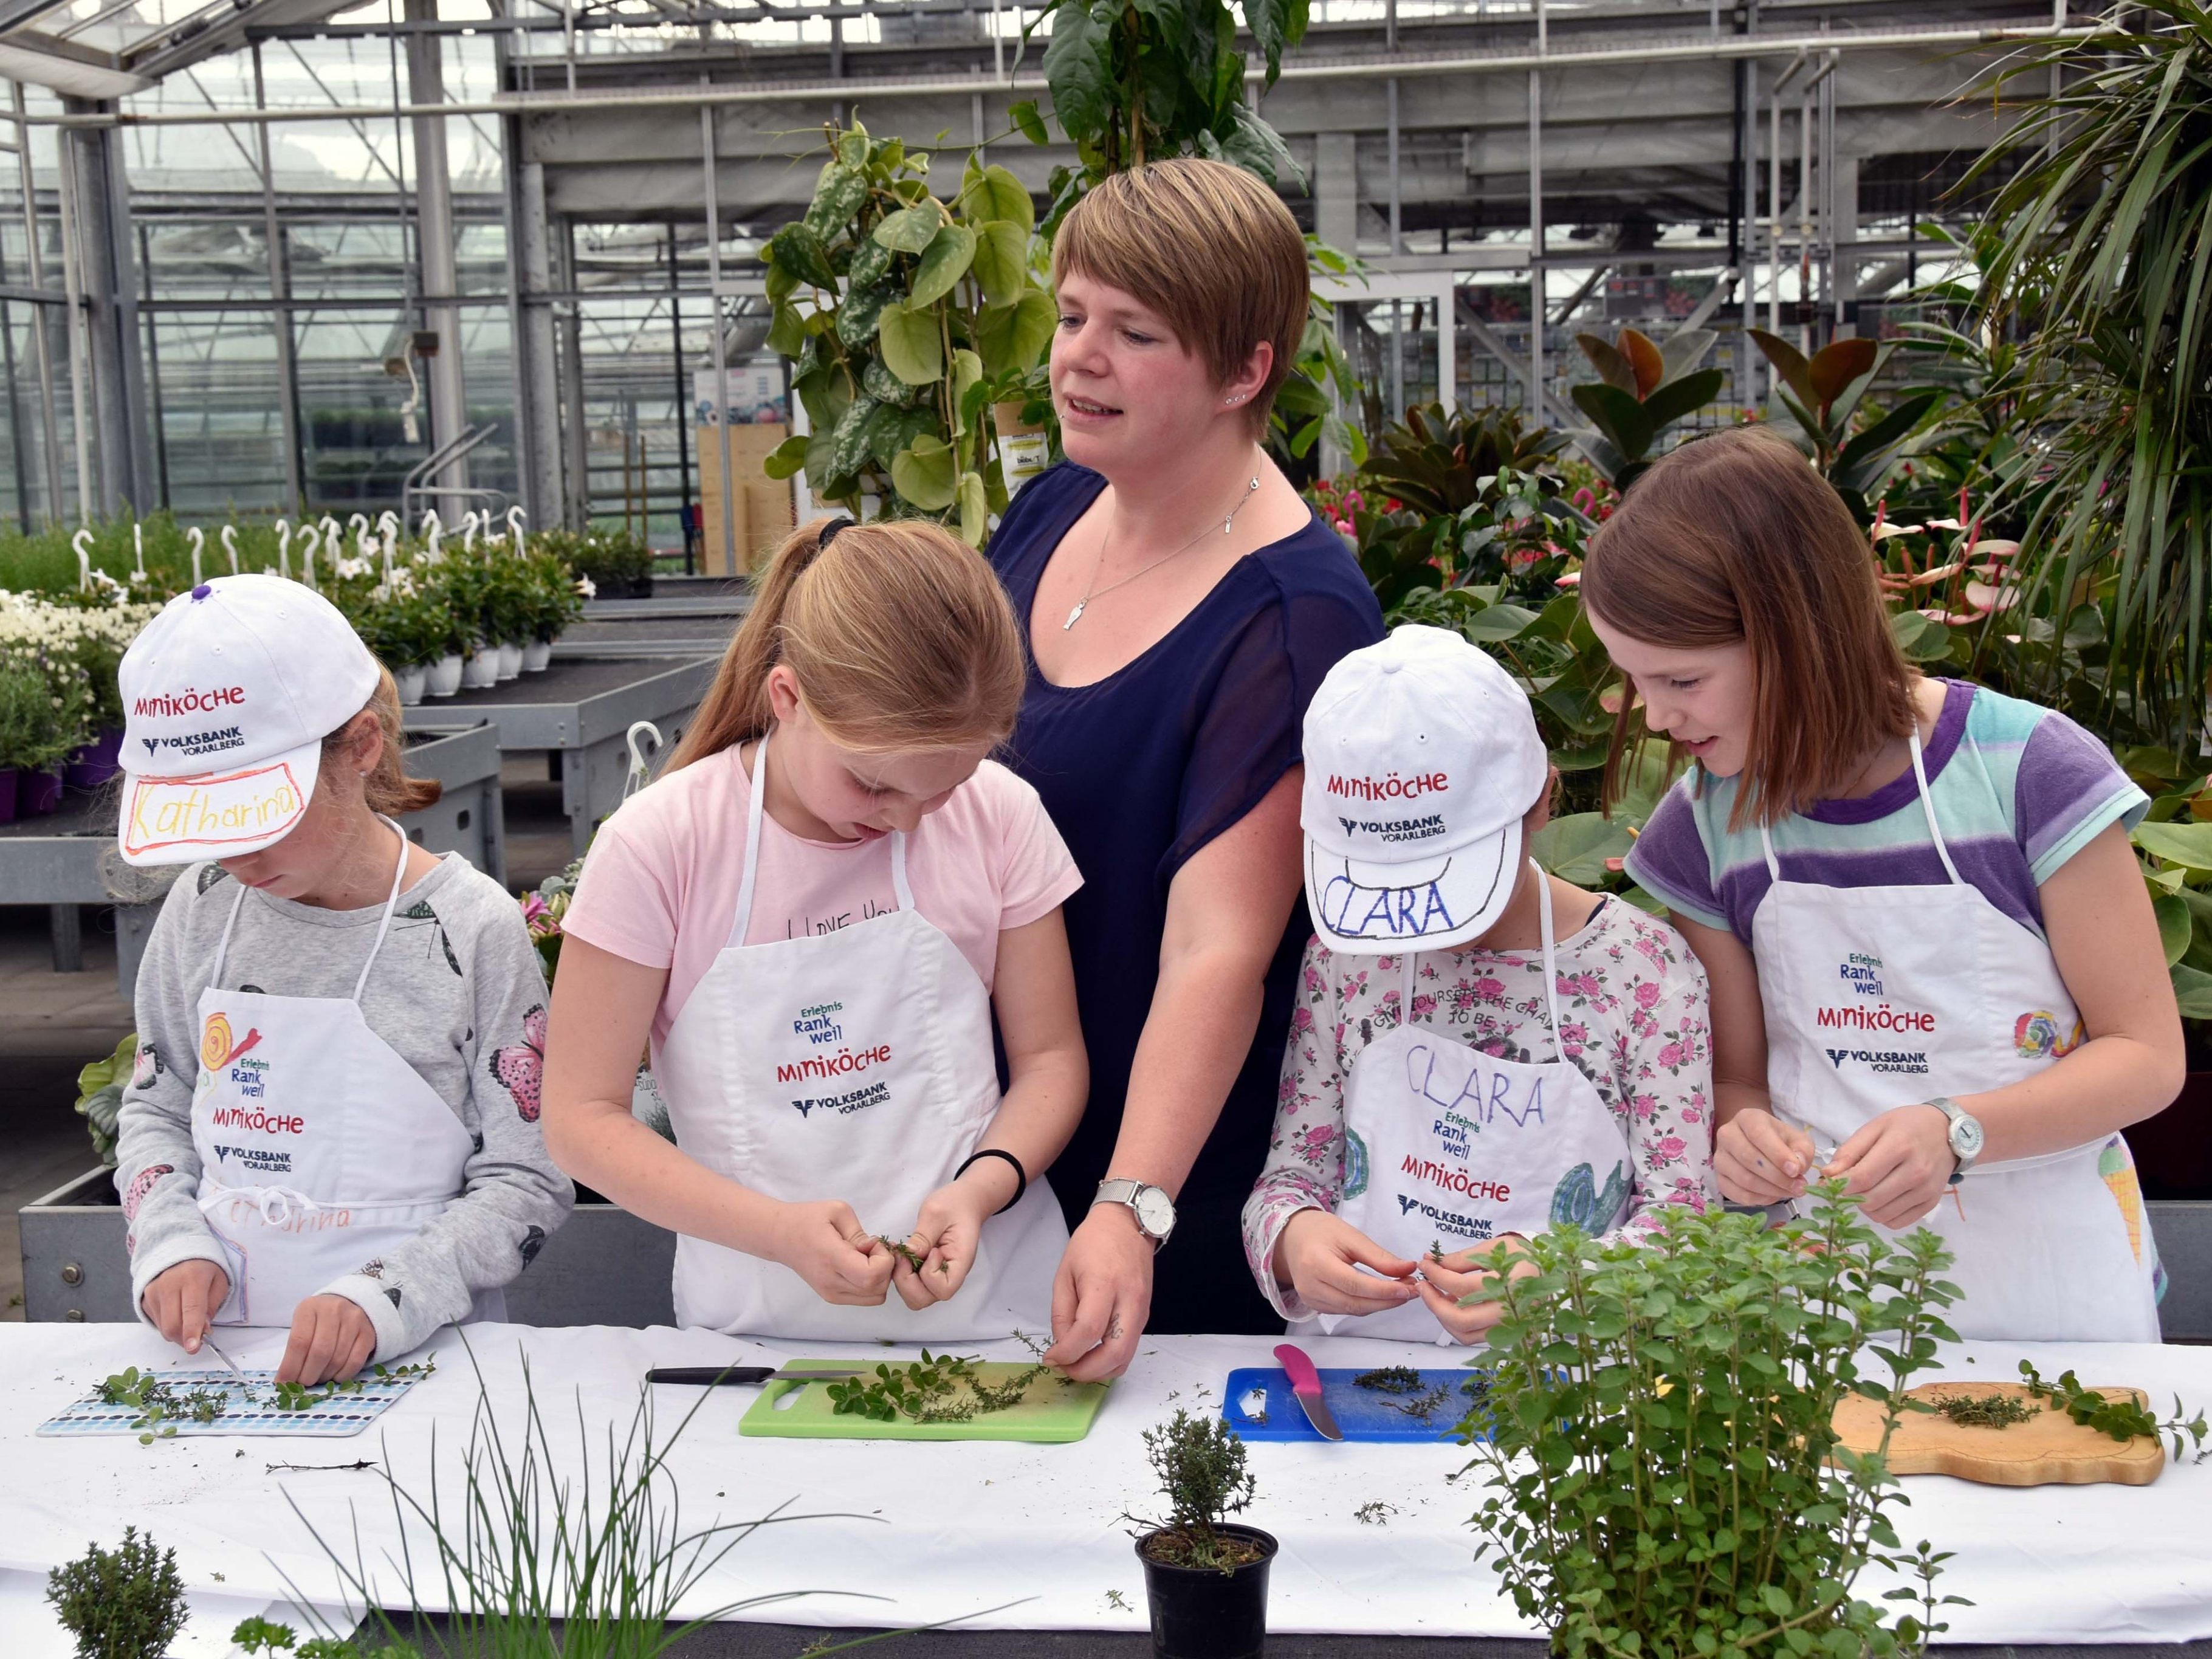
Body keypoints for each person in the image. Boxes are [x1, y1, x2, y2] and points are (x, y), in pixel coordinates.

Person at [1582, 427, 2183, 1342]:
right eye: (1635, 680)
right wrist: (1741, 1138)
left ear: (1794, 634)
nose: (1658, 715)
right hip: (1828, 1304)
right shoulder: (1703, 829)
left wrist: (1956, 1130)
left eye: (1682, 678)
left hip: (2056, 1292)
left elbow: (2147, 1054)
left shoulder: (2026, 770)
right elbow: (1739, 1079)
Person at [986, 157, 1385, 1377]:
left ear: (1244, 369)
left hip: (1165, 1199)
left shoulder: (1290, 615)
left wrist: (1130, 1203)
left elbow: (1221, 945)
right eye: (1069, 317)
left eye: (1134, 332)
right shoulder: (1051, 508)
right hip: (1001, 1159)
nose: (1076, 358)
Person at [540, 518, 1087, 1339]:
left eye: (940, 788)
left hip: (998, 1321)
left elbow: (1050, 1059)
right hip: (758, 1339)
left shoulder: (1000, 818)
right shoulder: (662, 845)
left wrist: (979, 1188)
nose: (906, 821)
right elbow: (580, 1119)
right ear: (787, 697)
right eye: (873, 785)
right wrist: (779, 1232)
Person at [112, 574, 574, 1385]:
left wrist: (386, 1296)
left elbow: (528, 1175)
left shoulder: (473, 928)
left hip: (427, 1353)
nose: (238, 856)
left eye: (262, 814)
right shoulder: (203, 906)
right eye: (208, 823)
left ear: (360, 748)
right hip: (214, 1354)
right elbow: (157, 1103)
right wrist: (170, 1239)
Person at [1244, 626, 1718, 1341]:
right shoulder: (1345, 958)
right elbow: (1292, 1176)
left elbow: (1686, 1223)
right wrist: (1294, 1240)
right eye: (1387, 885)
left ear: (1542, 800)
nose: (1422, 921)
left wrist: (1569, 1278)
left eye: (1452, 874)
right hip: (1357, 1371)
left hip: (1572, 1400)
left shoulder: (1644, 972)